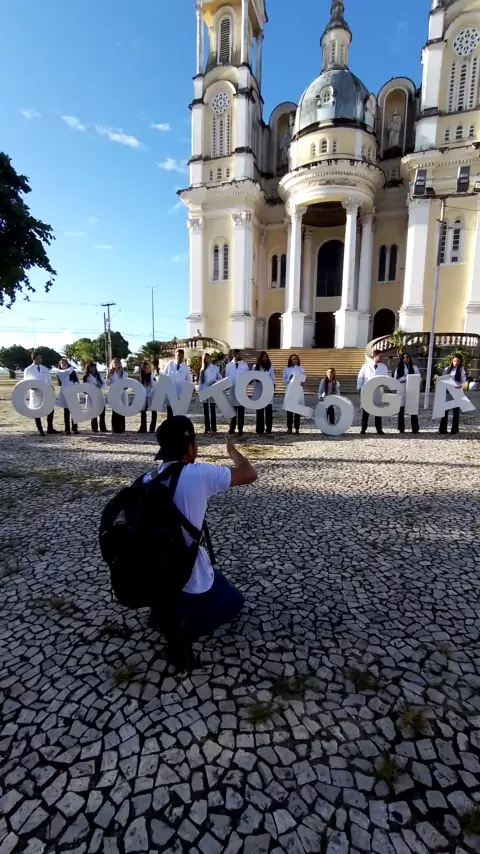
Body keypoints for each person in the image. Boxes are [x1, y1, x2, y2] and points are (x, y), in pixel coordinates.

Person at [147, 416, 257, 669]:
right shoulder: (197, 475)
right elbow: (249, 473)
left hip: (156, 577)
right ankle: (182, 627)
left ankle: (162, 611)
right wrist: (232, 451)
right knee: (235, 601)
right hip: (189, 577)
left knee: (206, 580)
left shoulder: (147, 479)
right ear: (190, 447)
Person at [23, 352, 58, 436]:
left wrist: (51, 387)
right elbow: (26, 382)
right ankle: (40, 429)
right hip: (35, 392)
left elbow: (48, 380)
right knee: (37, 410)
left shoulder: (44, 368)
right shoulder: (28, 369)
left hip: (46, 391)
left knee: (50, 408)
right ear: (33, 359)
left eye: (40, 358)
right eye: (37, 358)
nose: (39, 359)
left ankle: (50, 428)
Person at [357, 350, 389, 435]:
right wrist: (359, 387)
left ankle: (379, 429)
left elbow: (386, 378)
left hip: (378, 391)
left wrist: (384, 384)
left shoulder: (383, 367)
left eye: (382, 356)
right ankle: (363, 428)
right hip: (367, 390)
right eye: (380, 356)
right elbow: (360, 377)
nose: (381, 358)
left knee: (378, 410)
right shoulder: (366, 366)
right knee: (366, 410)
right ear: (375, 356)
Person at [439, 353, 467, 435]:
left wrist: (461, 385)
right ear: (452, 361)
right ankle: (442, 429)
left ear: (460, 362)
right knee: (445, 411)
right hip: (447, 391)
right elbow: (443, 379)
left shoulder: (461, 370)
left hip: (456, 391)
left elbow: (464, 381)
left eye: (458, 361)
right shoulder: (447, 369)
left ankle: (454, 429)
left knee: (455, 411)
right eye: (455, 361)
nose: (456, 363)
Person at [394, 353, 420, 434]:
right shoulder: (398, 368)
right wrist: (404, 378)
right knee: (401, 409)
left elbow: (419, 378)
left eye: (407, 357)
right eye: (404, 357)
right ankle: (401, 427)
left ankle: (415, 428)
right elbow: (395, 380)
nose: (406, 359)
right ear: (402, 359)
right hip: (402, 388)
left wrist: (412, 378)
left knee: (413, 409)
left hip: (411, 389)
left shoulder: (414, 367)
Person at [226, 350, 250, 435]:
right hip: (232, 390)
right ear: (234, 355)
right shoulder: (228, 365)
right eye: (238, 354)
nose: (239, 356)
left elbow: (247, 377)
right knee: (232, 411)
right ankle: (232, 427)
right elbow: (226, 378)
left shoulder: (244, 365)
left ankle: (240, 428)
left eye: (240, 354)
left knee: (241, 411)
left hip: (241, 390)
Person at [163, 349, 191, 419]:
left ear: (183, 356)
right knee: (170, 414)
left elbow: (189, 382)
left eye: (181, 356)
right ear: (175, 355)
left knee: (178, 415)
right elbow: (163, 376)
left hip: (180, 395)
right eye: (178, 355)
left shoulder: (186, 368)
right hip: (170, 394)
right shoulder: (169, 365)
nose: (179, 357)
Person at [199, 353, 222, 434]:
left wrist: (215, 382)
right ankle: (207, 428)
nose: (207, 360)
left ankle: (214, 428)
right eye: (205, 358)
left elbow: (219, 378)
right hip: (205, 390)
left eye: (208, 358)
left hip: (213, 390)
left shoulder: (215, 368)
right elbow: (200, 382)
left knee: (212, 410)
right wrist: (200, 392)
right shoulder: (202, 369)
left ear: (211, 358)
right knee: (206, 411)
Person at [253, 351, 275, 435]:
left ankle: (268, 428)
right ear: (260, 358)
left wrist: (272, 389)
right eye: (263, 357)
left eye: (266, 357)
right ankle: (259, 428)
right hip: (259, 390)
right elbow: (252, 379)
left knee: (268, 410)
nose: (264, 358)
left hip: (267, 390)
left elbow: (272, 379)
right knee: (259, 410)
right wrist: (257, 380)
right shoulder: (255, 367)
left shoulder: (270, 367)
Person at [283, 354, 305, 434]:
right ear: (290, 360)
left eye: (296, 359)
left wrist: (303, 383)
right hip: (290, 390)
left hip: (298, 390)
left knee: (297, 409)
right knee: (289, 409)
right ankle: (289, 428)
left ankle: (297, 428)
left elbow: (303, 379)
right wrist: (289, 379)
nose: (295, 360)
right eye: (293, 359)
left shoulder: (300, 368)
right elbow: (284, 381)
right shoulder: (286, 369)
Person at [56, 359, 79, 435]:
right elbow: (67, 371)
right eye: (61, 363)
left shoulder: (73, 372)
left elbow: (76, 381)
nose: (63, 364)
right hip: (65, 393)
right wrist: (71, 368)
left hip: (73, 392)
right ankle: (67, 429)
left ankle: (75, 428)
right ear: (60, 365)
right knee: (66, 411)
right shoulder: (60, 372)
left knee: (74, 411)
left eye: (65, 362)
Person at [84, 361, 108, 433]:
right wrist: (93, 386)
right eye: (90, 368)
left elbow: (104, 385)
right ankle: (94, 428)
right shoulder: (86, 377)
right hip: (91, 396)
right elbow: (84, 388)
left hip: (99, 395)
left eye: (93, 367)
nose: (92, 369)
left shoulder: (99, 376)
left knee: (102, 413)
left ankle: (103, 428)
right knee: (94, 413)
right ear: (88, 369)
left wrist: (100, 385)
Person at [107, 358, 129, 434]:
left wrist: (126, 386)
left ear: (119, 363)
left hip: (122, 393)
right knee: (115, 410)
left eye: (117, 362)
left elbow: (126, 382)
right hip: (114, 393)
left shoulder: (124, 373)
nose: (115, 364)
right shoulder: (111, 373)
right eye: (114, 363)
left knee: (122, 410)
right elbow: (108, 383)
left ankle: (121, 428)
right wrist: (108, 377)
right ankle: (115, 428)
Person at [137, 361, 157, 434]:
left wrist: (149, 395)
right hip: (144, 395)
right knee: (143, 410)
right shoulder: (141, 377)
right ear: (143, 369)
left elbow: (154, 386)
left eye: (149, 368)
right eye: (146, 368)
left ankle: (152, 428)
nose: (148, 369)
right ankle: (143, 427)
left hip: (151, 395)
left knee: (153, 411)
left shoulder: (152, 376)